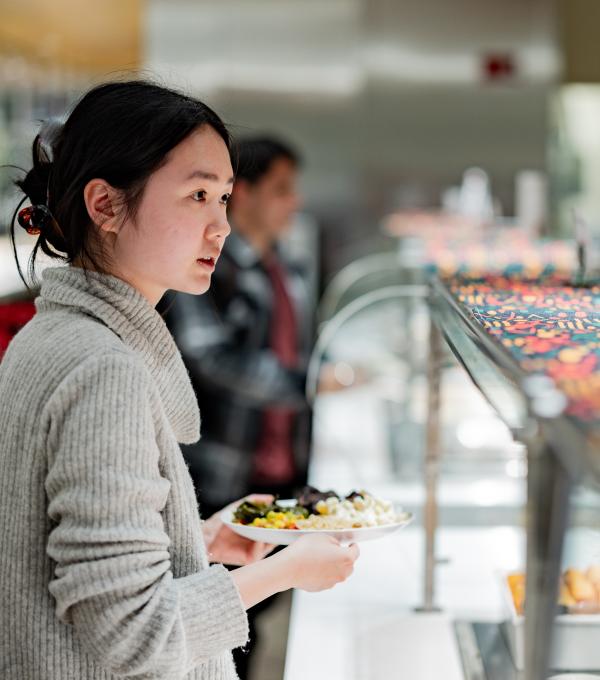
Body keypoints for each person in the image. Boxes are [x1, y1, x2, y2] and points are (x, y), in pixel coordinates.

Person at [0, 80, 360, 680]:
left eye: (223, 197)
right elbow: (134, 634)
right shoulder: (102, 369)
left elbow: (57, 559)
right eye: (197, 195)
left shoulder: (51, 334)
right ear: (106, 205)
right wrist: (285, 570)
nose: (220, 226)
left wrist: (198, 539)